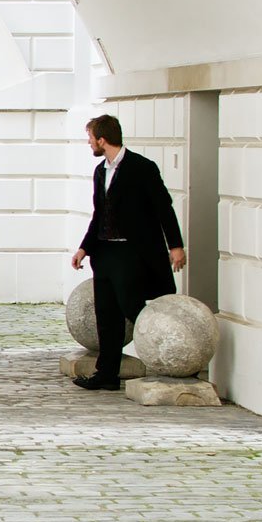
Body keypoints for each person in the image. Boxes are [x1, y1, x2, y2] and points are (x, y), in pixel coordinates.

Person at [70, 114, 186, 391]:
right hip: (105, 252)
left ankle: (167, 353)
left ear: (102, 139)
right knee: (106, 315)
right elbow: (99, 214)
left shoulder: (142, 168)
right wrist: (84, 248)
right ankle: (106, 375)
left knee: (133, 309)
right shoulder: (101, 171)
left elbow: (163, 209)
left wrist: (176, 245)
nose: (89, 144)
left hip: (131, 253)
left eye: (90, 138)